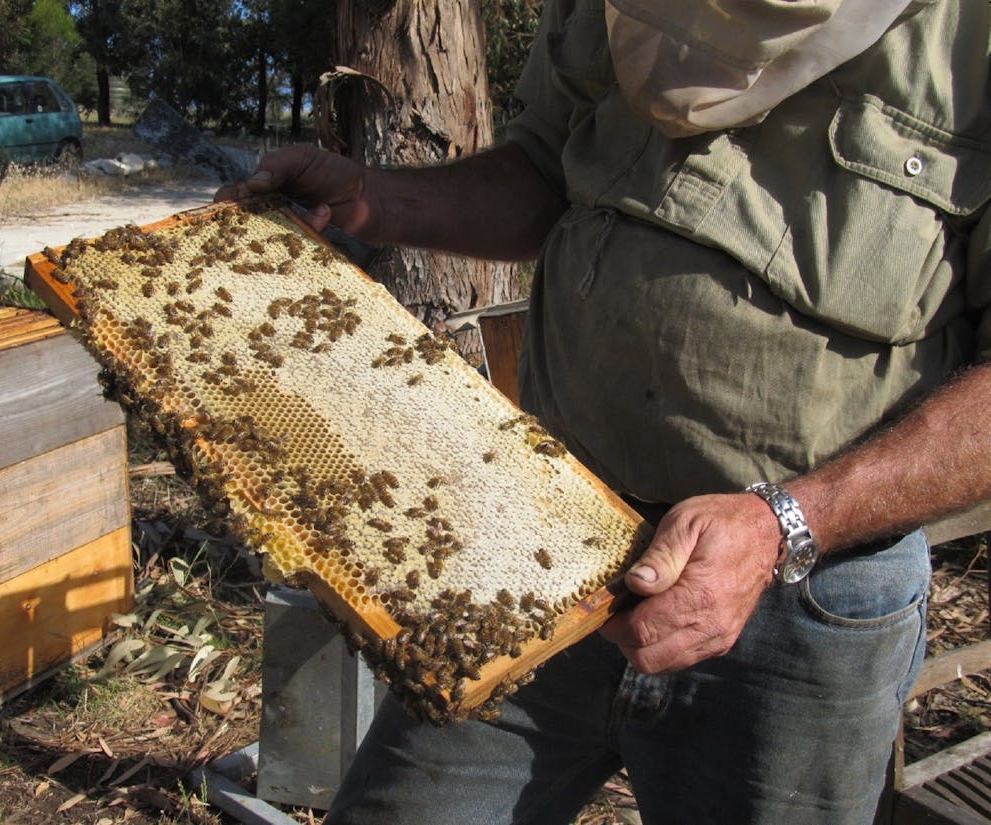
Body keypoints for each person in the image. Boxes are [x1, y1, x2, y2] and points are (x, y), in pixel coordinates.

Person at [216, 1, 991, 822]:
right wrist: (374, 199)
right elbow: (545, 169)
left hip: (801, 599)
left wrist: (785, 524)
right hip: (541, 536)